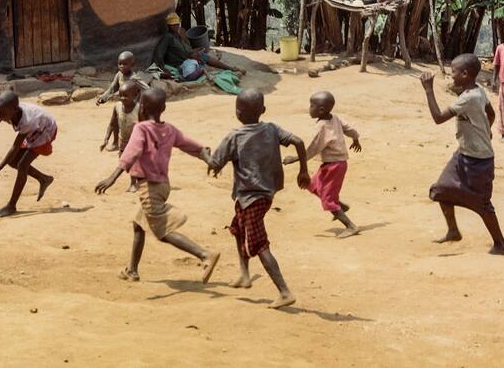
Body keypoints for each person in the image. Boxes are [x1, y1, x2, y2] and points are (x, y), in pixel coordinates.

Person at [95, 86, 220, 284]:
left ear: (141, 106)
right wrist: (208, 158)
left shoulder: (141, 128)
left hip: (149, 187)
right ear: (164, 108)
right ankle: (132, 270)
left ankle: (205, 254)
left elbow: (131, 153)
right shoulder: (169, 129)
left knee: (162, 232)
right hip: (162, 185)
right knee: (139, 226)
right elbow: (192, 146)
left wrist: (112, 177)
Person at [207, 88, 310, 309]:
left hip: (251, 196)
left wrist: (204, 154)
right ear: (263, 110)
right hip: (263, 194)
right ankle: (244, 274)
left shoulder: (235, 136)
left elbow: (215, 163)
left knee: (260, 244)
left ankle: (284, 291)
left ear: (237, 112)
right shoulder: (272, 129)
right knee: (237, 228)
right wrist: (303, 170)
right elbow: (299, 141)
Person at [421, 55, 504, 255]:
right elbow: (491, 113)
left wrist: (428, 90)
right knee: (441, 189)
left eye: (454, 71)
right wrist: (486, 131)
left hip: (478, 161)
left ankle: (501, 244)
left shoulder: (468, 99)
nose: (451, 75)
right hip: (463, 154)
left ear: (465, 74)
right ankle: (453, 231)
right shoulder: (479, 91)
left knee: (482, 204)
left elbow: (438, 118)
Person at [285, 91, 361, 238]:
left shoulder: (322, 126)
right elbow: (349, 128)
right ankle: (341, 206)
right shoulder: (335, 118)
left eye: (311, 105)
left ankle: (350, 226)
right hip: (334, 165)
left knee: (327, 199)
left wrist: (296, 158)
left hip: (334, 166)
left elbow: (313, 148)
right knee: (312, 185)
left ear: (321, 110)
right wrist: (356, 138)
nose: (309, 108)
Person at [152, 12, 245, 79]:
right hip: (179, 63)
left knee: (203, 56)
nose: (176, 26)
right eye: (173, 25)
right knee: (203, 58)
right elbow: (158, 54)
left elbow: (186, 50)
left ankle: (230, 68)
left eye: (177, 24)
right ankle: (231, 69)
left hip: (187, 58)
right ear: (169, 26)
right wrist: (163, 68)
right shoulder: (168, 37)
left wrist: (196, 50)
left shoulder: (178, 36)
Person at [100, 80, 142, 192]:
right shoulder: (117, 107)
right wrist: (106, 139)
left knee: (133, 162)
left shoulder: (139, 110)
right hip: (122, 141)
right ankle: (138, 180)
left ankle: (134, 183)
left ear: (135, 95)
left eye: (126, 96)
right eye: (121, 95)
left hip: (135, 143)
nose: (122, 98)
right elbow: (112, 124)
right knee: (124, 162)